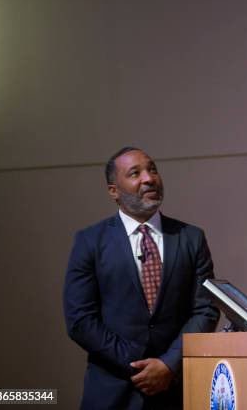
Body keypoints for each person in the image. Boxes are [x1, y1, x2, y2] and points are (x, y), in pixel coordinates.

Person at [64, 147, 220, 409]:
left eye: (152, 169)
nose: (148, 178)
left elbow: (205, 309)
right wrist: (139, 364)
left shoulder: (191, 238)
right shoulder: (90, 241)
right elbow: (80, 320)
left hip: (176, 390)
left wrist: (168, 364)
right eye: (135, 173)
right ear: (114, 190)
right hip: (112, 392)